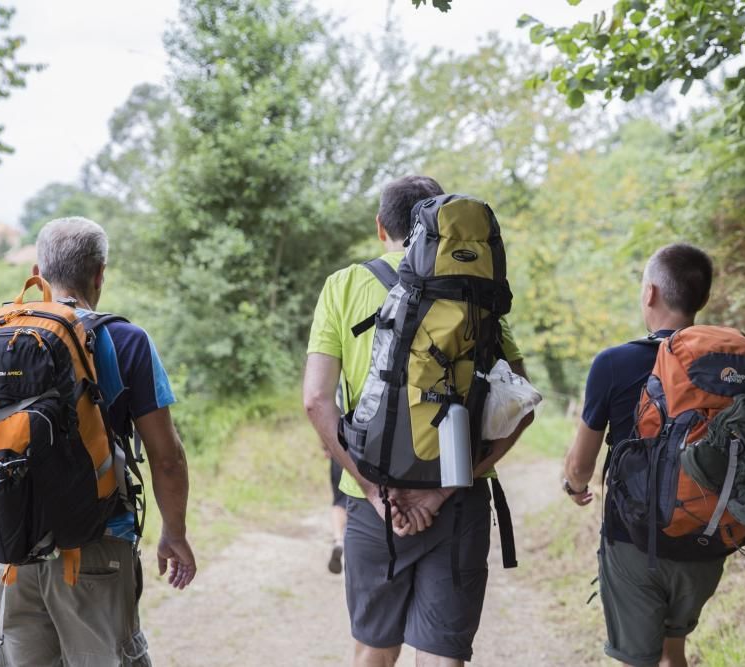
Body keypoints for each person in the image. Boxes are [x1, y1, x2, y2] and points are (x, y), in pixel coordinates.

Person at [0, 216, 197, 666]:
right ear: (100, 273)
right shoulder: (126, 340)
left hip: (8, 549)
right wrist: (174, 533)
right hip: (96, 549)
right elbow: (167, 457)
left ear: (37, 273)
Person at [303, 175, 531, 666]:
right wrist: (443, 489)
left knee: (373, 652)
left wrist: (372, 492)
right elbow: (520, 407)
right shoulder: (476, 292)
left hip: (371, 505)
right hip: (460, 501)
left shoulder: (344, 285)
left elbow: (316, 402)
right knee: (441, 658)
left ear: (381, 226)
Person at [562, 243, 722, 667]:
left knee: (639, 660)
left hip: (634, 542)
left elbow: (581, 464)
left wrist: (573, 486)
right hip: (707, 538)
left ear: (649, 293)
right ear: (700, 299)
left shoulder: (614, 362)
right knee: (675, 653)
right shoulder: (726, 362)